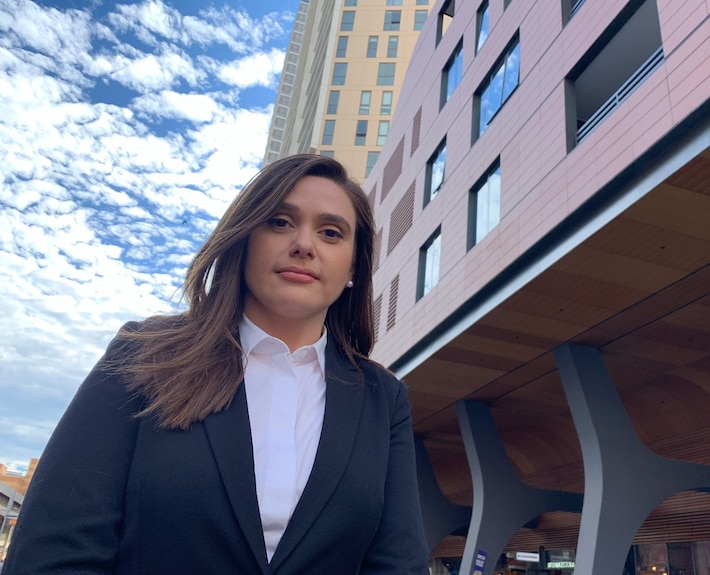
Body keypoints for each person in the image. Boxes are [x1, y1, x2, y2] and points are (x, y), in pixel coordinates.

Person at [3, 154, 429, 574]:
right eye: (279, 222)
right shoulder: (145, 353)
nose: (304, 244)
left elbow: (397, 564)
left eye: (331, 232)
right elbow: (54, 552)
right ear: (244, 240)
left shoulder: (382, 399)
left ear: (354, 265)